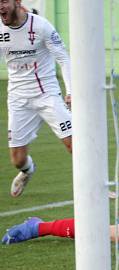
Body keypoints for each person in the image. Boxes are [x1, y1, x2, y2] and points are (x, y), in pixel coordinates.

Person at [0, 0, 73, 197]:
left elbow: (63, 58)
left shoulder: (40, 26)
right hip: (18, 100)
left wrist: (71, 90)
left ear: (17, 2)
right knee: (17, 160)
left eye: (3, 1)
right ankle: (27, 171)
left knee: (74, 143)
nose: (0, 7)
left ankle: (97, 186)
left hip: (47, 95)